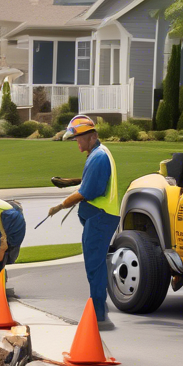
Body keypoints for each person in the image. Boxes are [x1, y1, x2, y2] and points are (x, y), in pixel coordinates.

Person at [48, 115, 120, 329]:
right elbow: (92, 180)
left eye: (80, 138)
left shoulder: (98, 157)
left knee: (94, 266)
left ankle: (98, 316)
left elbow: (89, 191)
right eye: (75, 139)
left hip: (101, 217)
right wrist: (71, 182)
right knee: (95, 264)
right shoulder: (98, 153)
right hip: (100, 216)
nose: (77, 142)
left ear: (93, 136)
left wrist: (62, 204)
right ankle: (100, 311)